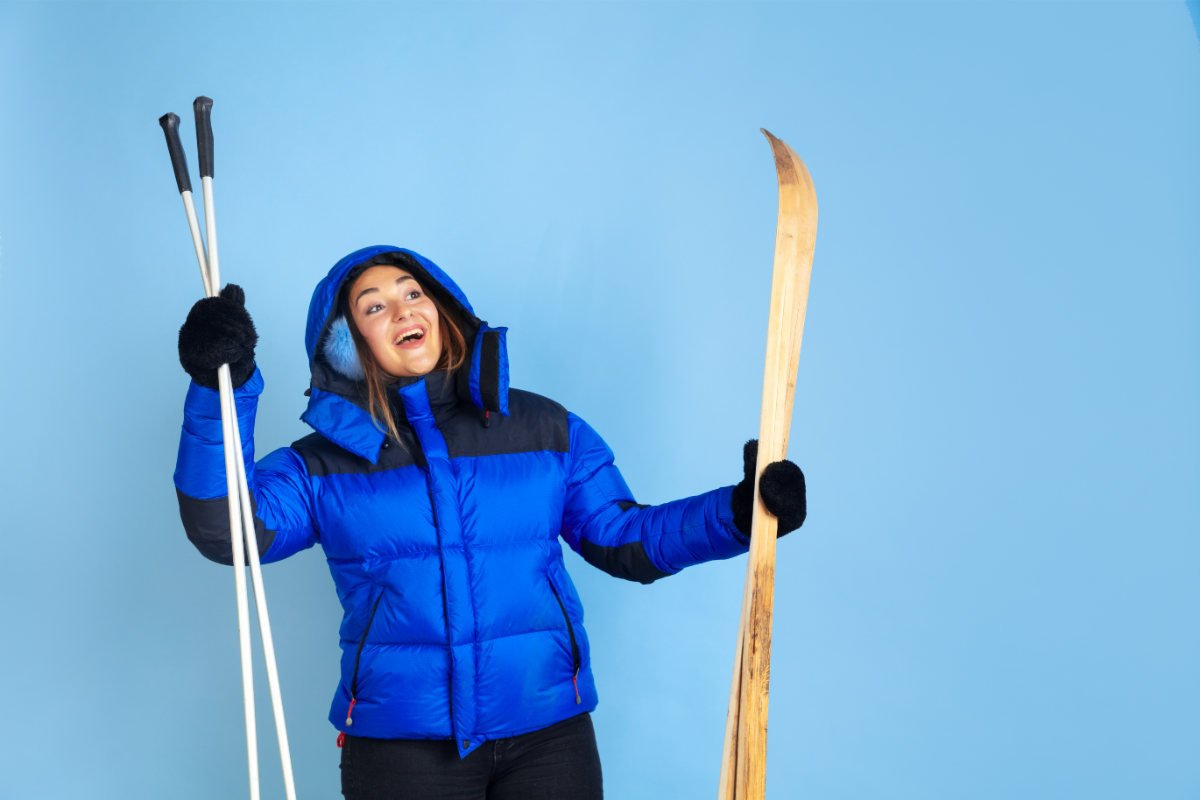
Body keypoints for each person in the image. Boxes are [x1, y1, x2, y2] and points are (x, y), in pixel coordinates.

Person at [173, 246, 807, 800]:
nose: (401, 311)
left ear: (442, 310)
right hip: (402, 750)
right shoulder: (321, 465)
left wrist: (740, 513)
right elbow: (228, 528)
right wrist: (219, 385)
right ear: (346, 343)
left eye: (413, 294)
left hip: (549, 738)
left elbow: (622, 538)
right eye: (374, 307)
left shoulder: (546, 429)